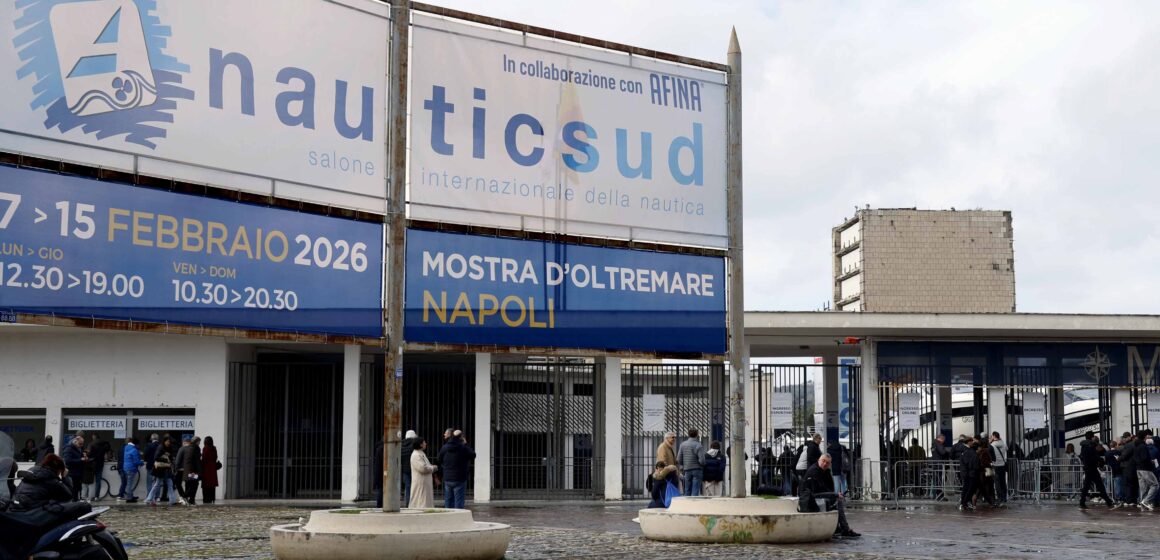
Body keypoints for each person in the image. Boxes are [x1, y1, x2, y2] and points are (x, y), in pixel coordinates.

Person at [798, 453, 860, 538]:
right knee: (837, 500)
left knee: (836, 500)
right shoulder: (814, 471)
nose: (825, 464)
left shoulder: (826, 471)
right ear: (819, 460)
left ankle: (838, 527)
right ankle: (844, 529)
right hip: (811, 498)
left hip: (817, 495)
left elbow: (830, 487)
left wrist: (833, 494)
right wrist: (834, 495)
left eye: (827, 463)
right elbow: (817, 490)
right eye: (823, 461)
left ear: (830, 464)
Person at [8, 454, 74, 512]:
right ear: (58, 469)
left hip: (14, 507)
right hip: (30, 513)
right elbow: (68, 495)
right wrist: (65, 477)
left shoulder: (31, 471)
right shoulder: (51, 479)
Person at [437, 430, 475, 509]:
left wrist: (446, 466)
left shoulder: (445, 447)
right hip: (460, 478)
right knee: (459, 501)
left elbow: (439, 459)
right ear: (461, 437)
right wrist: (466, 444)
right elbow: (473, 455)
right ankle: (458, 515)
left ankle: (448, 514)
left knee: (448, 500)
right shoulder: (463, 447)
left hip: (447, 477)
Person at [1078, 431, 1113, 509]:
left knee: (1087, 486)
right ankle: (1108, 502)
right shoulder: (1091, 445)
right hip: (1092, 468)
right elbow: (1094, 456)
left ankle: (1082, 502)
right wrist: (1101, 460)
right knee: (1100, 485)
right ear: (1092, 437)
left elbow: (1082, 456)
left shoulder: (1083, 446)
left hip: (1087, 467)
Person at [145, 437, 177, 506]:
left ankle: (172, 500)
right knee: (157, 484)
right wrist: (166, 460)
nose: (168, 443)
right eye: (167, 441)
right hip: (160, 469)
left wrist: (171, 460)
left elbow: (171, 457)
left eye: (169, 442)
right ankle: (149, 499)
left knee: (170, 483)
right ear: (164, 441)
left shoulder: (169, 448)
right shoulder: (161, 447)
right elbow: (156, 458)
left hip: (167, 468)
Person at [408, 437, 438, 508]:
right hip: (421, 482)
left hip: (423, 481)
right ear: (420, 444)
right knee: (421, 499)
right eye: (424, 442)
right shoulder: (416, 455)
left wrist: (431, 467)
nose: (425, 444)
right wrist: (433, 468)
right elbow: (423, 468)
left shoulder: (420, 453)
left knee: (424, 499)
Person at [676, 428, 706, 496]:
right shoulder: (698, 445)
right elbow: (702, 460)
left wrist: (684, 464)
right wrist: (702, 464)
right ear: (697, 434)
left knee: (687, 489)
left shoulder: (682, 444)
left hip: (687, 470)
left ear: (688, 434)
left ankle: (687, 502)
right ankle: (694, 502)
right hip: (697, 469)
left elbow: (678, 459)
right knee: (695, 489)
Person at [1134, 430, 1157, 510]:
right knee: (1155, 485)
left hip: (1138, 469)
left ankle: (1142, 507)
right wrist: (1151, 461)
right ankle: (1146, 501)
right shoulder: (1143, 446)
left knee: (1143, 488)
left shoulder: (1136, 445)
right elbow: (1144, 458)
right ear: (1144, 436)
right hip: (1145, 468)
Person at [61, 435, 87, 501]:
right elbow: (68, 461)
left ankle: (76, 501)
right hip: (72, 473)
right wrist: (80, 460)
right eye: (80, 444)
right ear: (75, 441)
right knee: (72, 490)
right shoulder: (68, 449)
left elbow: (79, 457)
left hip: (78, 473)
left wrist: (84, 457)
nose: (81, 445)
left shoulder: (78, 448)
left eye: (82, 444)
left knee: (77, 489)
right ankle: (73, 502)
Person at [958, 438, 981, 511]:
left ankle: (963, 503)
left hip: (965, 473)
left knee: (965, 489)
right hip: (971, 474)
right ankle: (964, 503)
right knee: (970, 489)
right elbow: (975, 465)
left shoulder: (965, 452)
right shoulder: (974, 454)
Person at [87, 434, 110, 502]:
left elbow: (88, 454)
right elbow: (108, 449)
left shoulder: (91, 444)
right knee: (98, 481)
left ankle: (90, 497)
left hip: (92, 465)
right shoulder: (104, 444)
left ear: (93, 438)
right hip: (100, 464)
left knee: (90, 481)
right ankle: (97, 496)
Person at [121, 437, 142, 503]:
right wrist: (141, 463)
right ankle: (129, 498)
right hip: (131, 468)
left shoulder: (126, 447)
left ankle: (131, 496)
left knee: (128, 483)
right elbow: (136, 461)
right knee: (129, 484)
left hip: (126, 467)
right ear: (136, 444)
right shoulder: (134, 450)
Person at [989, 432, 1008, 504]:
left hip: (995, 465)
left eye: (991, 436)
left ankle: (1000, 498)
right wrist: (1001, 440)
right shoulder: (1003, 444)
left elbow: (989, 452)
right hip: (1002, 465)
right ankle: (1004, 498)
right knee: (1003, 482)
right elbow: (1007, 448)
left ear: (994, 436)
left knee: (997, 483)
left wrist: (990, 442)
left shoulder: (992, 445)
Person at [201, 436, 220, 504]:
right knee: (212, 485)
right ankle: (212, 498)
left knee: (206, 485)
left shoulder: (205, 448)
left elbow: (204, 458)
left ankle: (206, 499)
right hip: (213, 469)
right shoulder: (214, 448)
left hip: (206, 469)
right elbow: (216, 457)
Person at [401, 430, 418, 507]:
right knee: (415, 487)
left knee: (407, 487)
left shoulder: (401, 446)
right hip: (414, 469)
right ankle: (415, 504)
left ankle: (407, 504)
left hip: (405, 470)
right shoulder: (414, 446)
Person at [372, 438, 384, 509]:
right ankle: (379, 505)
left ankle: (379, 505)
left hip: (379, 472)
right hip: (381, 472)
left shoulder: (378, 449)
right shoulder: (382, 449)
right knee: (380, 490)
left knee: (380, 490)